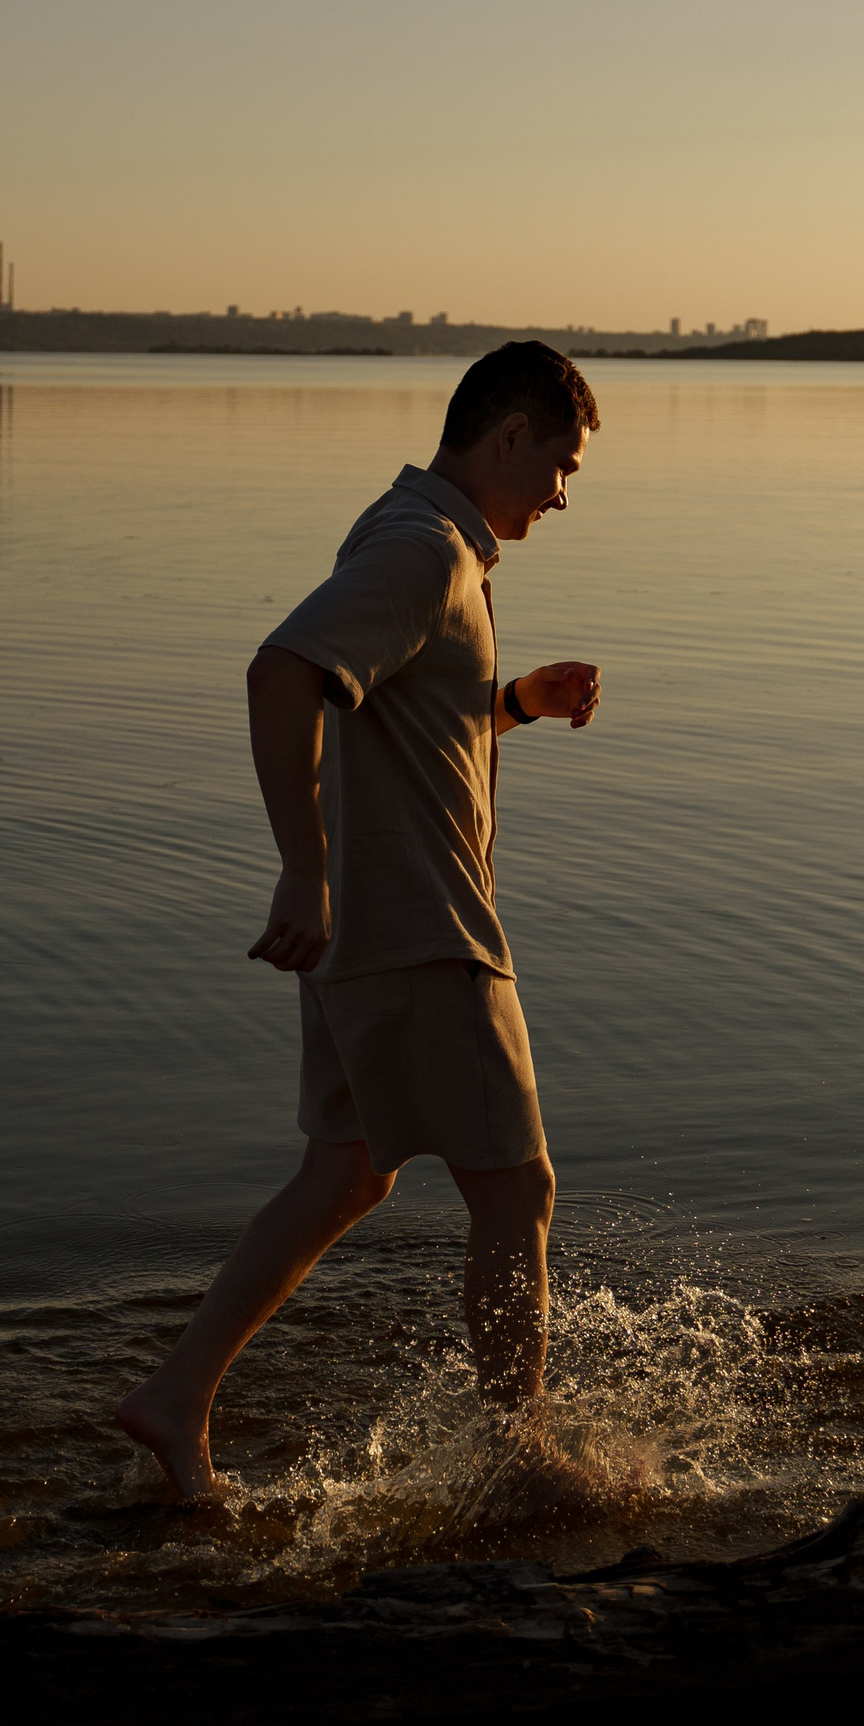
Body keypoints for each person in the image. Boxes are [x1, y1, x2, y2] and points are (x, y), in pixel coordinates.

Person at [116, 341, 606, 1499]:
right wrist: (304, 868)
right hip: (422, 926)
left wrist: (513, 706)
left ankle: (174, 1401)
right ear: (507, 436)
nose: (563, 492)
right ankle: (516, 1456)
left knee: (344, 1173)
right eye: (561, 463)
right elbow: (282, 673)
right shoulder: (423, 548)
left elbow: (396, 719)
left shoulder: (413, 534)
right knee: (515, 1189)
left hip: (375, 930)